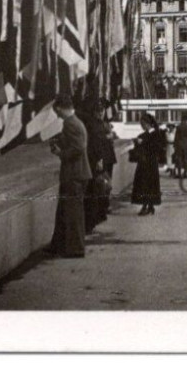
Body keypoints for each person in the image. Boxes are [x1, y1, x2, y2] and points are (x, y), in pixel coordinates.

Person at [47, 95, 90, 258]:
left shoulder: (71, 123)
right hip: (76, 173)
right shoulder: (75, 122)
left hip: (74, 174)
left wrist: (60, 153)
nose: (57, 116)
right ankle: (59, 246)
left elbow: (78, 148)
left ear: (61, 108)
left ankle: (75, 249)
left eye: (57, 112)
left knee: (73, 214)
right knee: (65, 212)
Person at [82, 102, 117, 231]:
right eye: (98, 111)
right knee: (100, 187)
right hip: (101, 161)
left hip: (104, 160)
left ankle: (100, 213)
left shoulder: (98, 125)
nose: (101, 113)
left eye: (102, 110)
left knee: (102, 187)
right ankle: (99, 214)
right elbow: (97, 144)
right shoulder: (97, 125)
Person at [130, 112, 167, 216]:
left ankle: (146, 206)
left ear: (148, 123)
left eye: (143, 124)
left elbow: (157, 148)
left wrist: (142, 143)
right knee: (147, 184)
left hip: (149, 163)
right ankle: (150, 206)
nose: (142, 126)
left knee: (146, 184)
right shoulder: (146, 135)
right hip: (145, 163)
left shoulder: (156, 134)